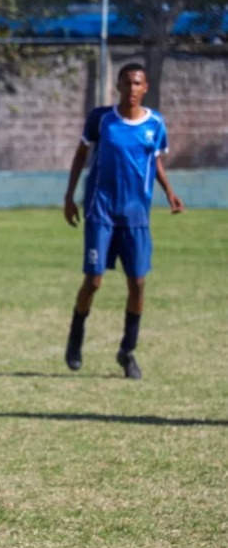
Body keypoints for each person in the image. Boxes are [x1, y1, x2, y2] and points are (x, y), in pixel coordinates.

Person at [63, 62, 184, 379]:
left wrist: (169, 191)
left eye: (138, 83)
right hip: (100, 211)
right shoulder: (101, 119)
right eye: (127, 82)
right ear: (118, 86)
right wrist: (69, 196)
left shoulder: (155, 123)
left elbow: (154, 161)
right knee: (94, 280)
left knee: (138, 283)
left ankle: (127, 351)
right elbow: (81, 155)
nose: (132, 88)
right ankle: (76, 334)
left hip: (135, 216)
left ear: (146, 88)